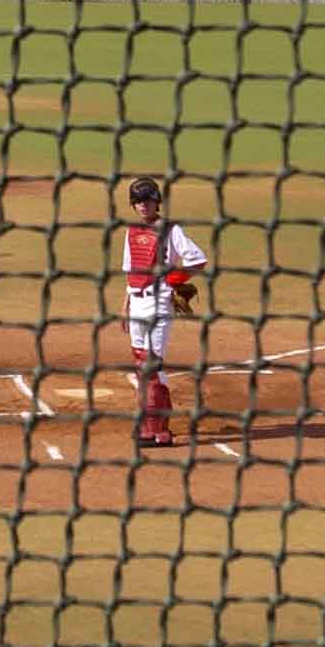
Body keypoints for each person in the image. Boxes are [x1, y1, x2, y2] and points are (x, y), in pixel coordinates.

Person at [121, 177, 209, 448]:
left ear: (157, 200)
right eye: (137, 201)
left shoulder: (171, 230)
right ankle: (157, 423)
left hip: (158, 302)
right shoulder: (132, 231)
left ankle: (157, 430)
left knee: (150, 363)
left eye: (147, 199)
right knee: (141, 363)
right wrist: (125, 302)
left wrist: (171, 281)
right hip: (137, 300)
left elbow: (198, 259)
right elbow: (131, 268)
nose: (142, 205)